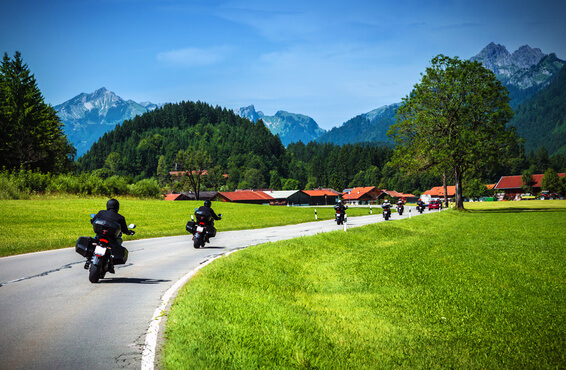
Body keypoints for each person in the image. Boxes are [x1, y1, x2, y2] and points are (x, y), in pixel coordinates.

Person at [92, 198, 134, 272]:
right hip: (111, 239)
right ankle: (111, 264)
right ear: (117, 207)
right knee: (117, 245)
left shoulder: (101, 212)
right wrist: (129, 232)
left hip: (100, 236)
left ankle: (91, 257)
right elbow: (124, 230)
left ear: (108, 205)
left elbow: (93, 220)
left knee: (93, 240)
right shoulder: (120, 218)